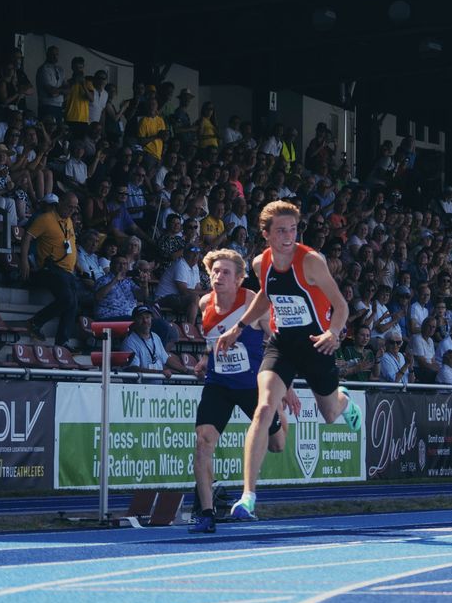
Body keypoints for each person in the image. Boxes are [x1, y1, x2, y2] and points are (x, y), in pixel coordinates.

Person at [211, 200, 354, 522]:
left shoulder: (312, 262)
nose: (288, 236)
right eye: (280, 231)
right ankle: (248, 497)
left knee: (330, 414)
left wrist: (333, 332)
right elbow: (265, 295)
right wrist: (239, 326)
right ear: (266, 234)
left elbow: (341, 304)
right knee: (263, 408)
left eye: (292, 229)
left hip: (317, 344)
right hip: (282, 344)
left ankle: (345, 401)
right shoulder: (261, 263)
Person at [190, 249, 298, 533]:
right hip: (218, 385)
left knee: (277, 445)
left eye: (225, 272)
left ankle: (276, 414)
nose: (218, 276)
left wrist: (286, 385)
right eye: (214, 271)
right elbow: (212, 337)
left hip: (252, 385)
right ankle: (206, 513)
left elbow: (280, 341)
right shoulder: (204, 303)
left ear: (239, 279)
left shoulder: (251, 302)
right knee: (203, 441)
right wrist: (205, 357)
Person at [24, 192, 83, 349]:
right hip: (51, 268)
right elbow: (27, 237)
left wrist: (76, 265)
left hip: (68, 271)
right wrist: (24, 261)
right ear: (60, 202)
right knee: (67, 299)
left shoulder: (68, 220)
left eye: (74, 208)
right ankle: (35, 322)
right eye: (69, 206)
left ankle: (62, 342)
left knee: (73, 304)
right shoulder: (45, 219)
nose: (71, 210)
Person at [124, 304, 190, 375]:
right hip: (141, 385)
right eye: (141, 318)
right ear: (134, 321)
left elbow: (166, 359)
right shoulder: (129, 342)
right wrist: (159, 373)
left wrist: (186, 370)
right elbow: (133, 369)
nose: (145, 321)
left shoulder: (155, 337)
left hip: (158, 384)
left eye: (147, 317)